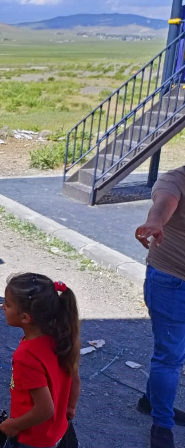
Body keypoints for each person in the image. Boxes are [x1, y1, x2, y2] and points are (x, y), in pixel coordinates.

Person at [0, 273, 81, 448]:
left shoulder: (26, 356)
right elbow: (74, 378)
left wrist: (13, 425)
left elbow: (44, 409)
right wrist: (70, 408)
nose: (2, 306)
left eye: (7, 304)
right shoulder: (59, 337)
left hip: (33, 438)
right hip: (57, 432)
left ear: (25, 318)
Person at [134, 165, 185, 448]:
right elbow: (164, 203)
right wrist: (155, 222)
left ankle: (150, 401)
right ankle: (162, 424)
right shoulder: (175, 179)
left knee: (174, 351)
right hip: (172, 281)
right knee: (170, 356)